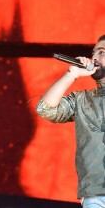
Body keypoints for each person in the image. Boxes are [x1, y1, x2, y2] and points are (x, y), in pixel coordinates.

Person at [35, 35, 105, 207]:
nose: (94, 58)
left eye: (102, 52)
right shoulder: (81, 100)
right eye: (93, 52)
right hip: (94, 194)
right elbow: (45, 109)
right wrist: (71, 74)